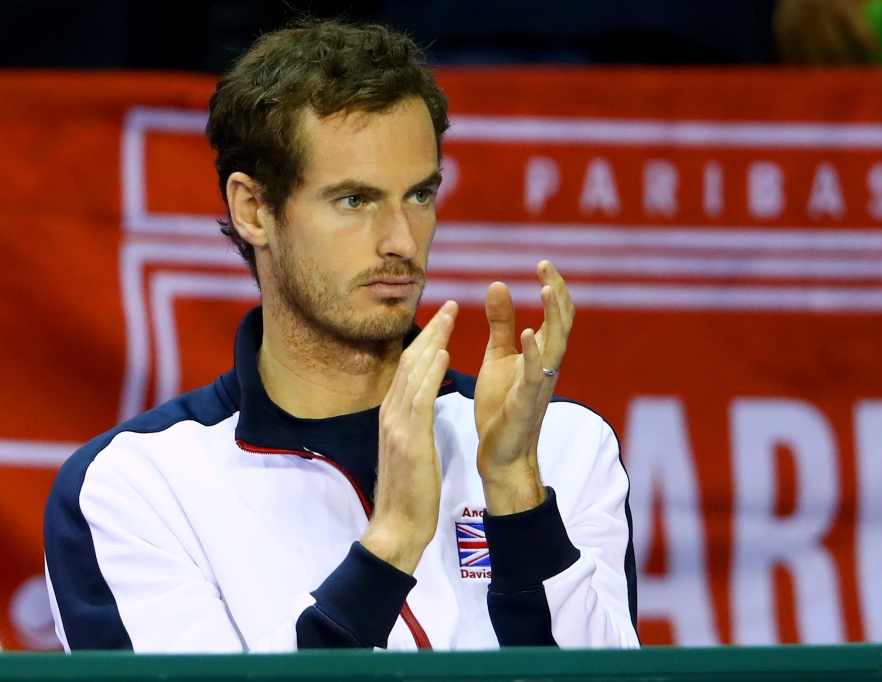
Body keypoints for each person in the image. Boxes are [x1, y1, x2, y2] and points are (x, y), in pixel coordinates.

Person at [42, 20, 638, 652]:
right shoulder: (134, 488)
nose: (402, 242)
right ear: (253, 209)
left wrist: (516, 490)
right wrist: (392, 544)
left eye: (419, 194)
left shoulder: (562, 446)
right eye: (354, 200)